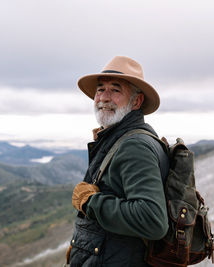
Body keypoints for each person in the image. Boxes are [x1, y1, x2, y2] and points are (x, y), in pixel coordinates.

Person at [67, 56, 169, 267]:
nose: (104, 97)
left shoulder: (134, 146)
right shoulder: (120, 138)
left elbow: (152, 220)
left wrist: (91, 202)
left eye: (115, 90)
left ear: (137, 101)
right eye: (100, 89)